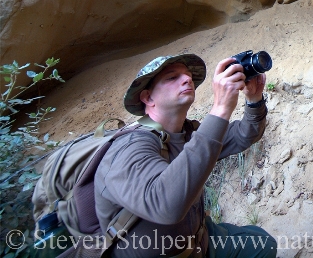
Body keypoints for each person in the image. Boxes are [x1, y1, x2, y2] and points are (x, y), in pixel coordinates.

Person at [93, 53, 277, 257]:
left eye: (188, 75)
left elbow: (245, 134)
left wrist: (254, 99)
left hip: (199, 241)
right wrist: (221, 108)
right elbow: (165, 205)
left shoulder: (187, 134)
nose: (187, 79)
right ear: (147, 97)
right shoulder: (129, 147)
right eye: (172, 77)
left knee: (262, 244)